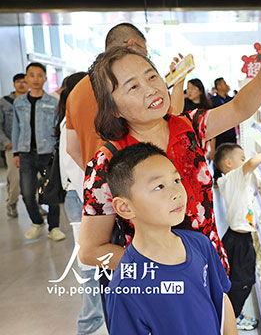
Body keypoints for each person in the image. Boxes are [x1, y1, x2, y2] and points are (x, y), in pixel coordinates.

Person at [78, 42, 261, 273]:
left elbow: (238, 109)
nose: (151, 89)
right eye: (133, 87)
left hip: (211, 270)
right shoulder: (107, 163)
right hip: (161, 285)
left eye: (152, 77)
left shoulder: (190, 127)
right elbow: (90, 250)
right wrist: (154, 268)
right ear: (113, 108)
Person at [104, 142, 237, 335]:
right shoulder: (126, 288)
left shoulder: (200, 244)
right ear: (125, 207)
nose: (177, 193)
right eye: (159, 186)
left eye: (176, 180)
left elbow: (222, 300)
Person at [65, 22, 185, 170]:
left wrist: (96, 174)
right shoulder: (118, 87)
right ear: (131, 45)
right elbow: (173, 118)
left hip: (104, 176)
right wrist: (179, 82)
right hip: (143, 173)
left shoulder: (75, 92)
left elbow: (72, 148)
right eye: (145, 52)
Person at [57, 72, 105, 334]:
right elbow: (74, 167)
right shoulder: (72, 121)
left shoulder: (73, 119)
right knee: (89, 265)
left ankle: (94, 318)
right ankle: (89, 322)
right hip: (81, 196)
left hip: (82, 196)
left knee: (93, 263)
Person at [214, 143, 261, 331]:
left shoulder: (229, 181)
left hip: (234, 237)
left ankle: (230, 311)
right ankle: (234, 315)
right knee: (243, 281)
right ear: (228, 163)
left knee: (235, 279)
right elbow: (252, 163)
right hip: (239, 241)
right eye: (241, 158)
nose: (245, 161)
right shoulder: (234, 177)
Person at [12, 62, 65, 241]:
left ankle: (54, 227)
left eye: (39, 75)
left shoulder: (53, 102)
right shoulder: (19, 102)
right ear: (26, 78)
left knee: (51, 191)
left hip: (48, 153)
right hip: (26, 153)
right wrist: (16, 152)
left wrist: (58, 151)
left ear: (45, 78)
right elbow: (16, 128)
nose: (35, 79)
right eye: (32, 75)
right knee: (27, 194)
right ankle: (37, 222)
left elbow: (58, 128)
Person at [0, 73, 28, 217]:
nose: (22, 84)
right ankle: (12, 203)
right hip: (13, 147)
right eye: (19, 82)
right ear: (14, 84)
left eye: (25, 82)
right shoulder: (4, 102)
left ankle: (36, 206)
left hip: (31, 147)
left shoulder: (32, 101)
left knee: (35, 179)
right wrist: (7, 143)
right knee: (15, 178)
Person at [184, 79, 216, 161]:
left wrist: (212, 149)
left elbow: (212, 129)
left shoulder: (207, 107)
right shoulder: (184, 105)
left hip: (203, 143)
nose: (189, 91)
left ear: (200, 91)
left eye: (193, 88)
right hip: (187, 143)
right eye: (188, 88)